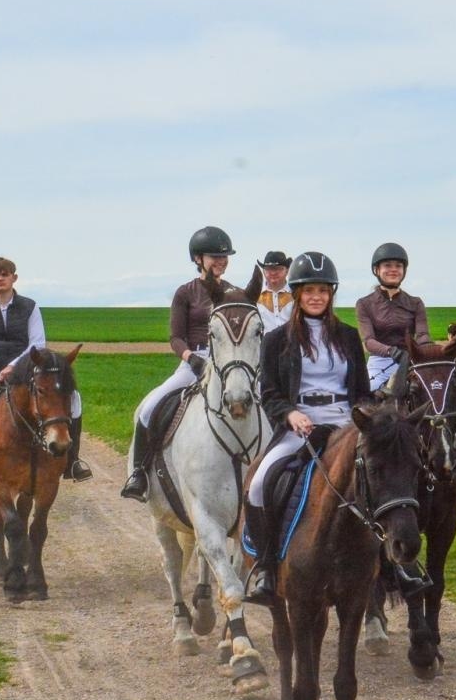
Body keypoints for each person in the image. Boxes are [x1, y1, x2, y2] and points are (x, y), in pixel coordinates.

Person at [243, 252, 375, 604]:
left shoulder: (348, 337)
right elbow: (269, 393)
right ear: (297, 294)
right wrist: (290, 414)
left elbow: (363, 391)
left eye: (322, 290)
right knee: (258, 484)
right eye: (308, 291)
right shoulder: (276, 341)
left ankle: (393, 568)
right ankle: (267, 569)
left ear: (331, 294)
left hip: (345, 425)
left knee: (384, 478)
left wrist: (362, 416)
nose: (316, 297)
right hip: (298, 425)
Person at [355, 242, 456, 494]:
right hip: (381, 363)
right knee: (360, 404)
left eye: (398, 266)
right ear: (377, 270)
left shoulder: (415, 302)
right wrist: (391, 351)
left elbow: (422, 336)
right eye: (388, 266)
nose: (393, 270)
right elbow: (368, 340)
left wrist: (441, 349)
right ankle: (358, 467)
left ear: (404, 270)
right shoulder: (365, 304)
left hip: (415, 360)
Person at [0, 256, 92, 493]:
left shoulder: (30, 306)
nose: (0, 278)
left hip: (23, 375)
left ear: (14, 278)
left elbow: (36, 344)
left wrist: (13, 367)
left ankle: (73, 461)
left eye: (5, 274)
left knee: (75, 402)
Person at [120, 226, 238, 502]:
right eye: (214, 256)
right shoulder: (186, 293)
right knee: (148, 409)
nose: (221, 261)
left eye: (225, 256)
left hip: (230, 364)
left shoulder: (236, 293)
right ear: (198, 258)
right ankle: (139, 472)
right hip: (195, 361)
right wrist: (191, 359)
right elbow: (176, 337)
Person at [256, 250, 294, 331]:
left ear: (287, 271)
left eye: (278, 269)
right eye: (268, 269)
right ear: (263, 271)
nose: (273, 273)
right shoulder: (256, 296)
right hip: (265, 343)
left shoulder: (296, 295)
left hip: (293, 343)